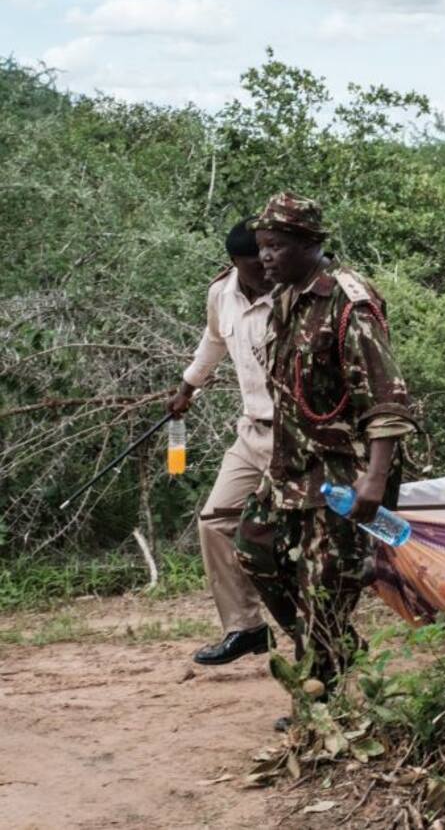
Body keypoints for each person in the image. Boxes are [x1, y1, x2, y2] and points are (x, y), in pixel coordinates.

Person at [234, 192, 416, 698]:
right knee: (253, 548)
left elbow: (386, 398)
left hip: (343, 470)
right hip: (293, 465)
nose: (265, 256)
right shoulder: (287, 297)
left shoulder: (349, 302)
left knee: (324, 590)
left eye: (275, 246)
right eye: (261, 246)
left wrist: (375, 480)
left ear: (309, 243)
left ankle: (319, 703)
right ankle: (335, 645)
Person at [168, 219, 274, 666]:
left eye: (270, 256)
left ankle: (321, 631)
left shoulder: (294, 294)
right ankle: (245, 627)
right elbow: (213, 341)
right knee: (215, 522)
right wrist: (187, 389)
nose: (266, 268)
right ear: (235, 263)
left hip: (298, 435)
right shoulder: (221, 294)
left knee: (289, 533)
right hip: (252, 431)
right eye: (256, 262)